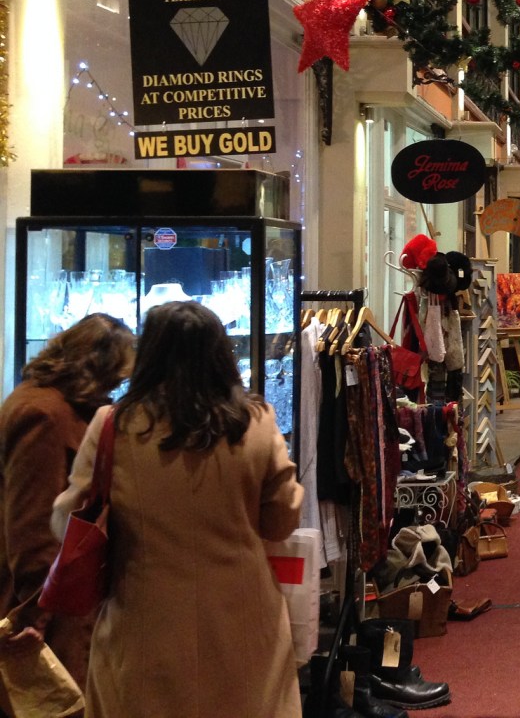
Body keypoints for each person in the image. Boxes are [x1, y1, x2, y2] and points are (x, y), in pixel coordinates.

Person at [52, 302, 303, 717]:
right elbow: (281, 521)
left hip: (142, 622)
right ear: (221, 353)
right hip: (243, 619)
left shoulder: (112, 425)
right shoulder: (257, 423)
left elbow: (68, 521)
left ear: (149, 354)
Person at [0, 314, 135, 706]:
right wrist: (33, 616)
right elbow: (33, 523)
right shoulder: (43, 414)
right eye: (115, 376)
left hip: (59, 596)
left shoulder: (47, 402)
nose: (116, 386)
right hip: (51, 604)